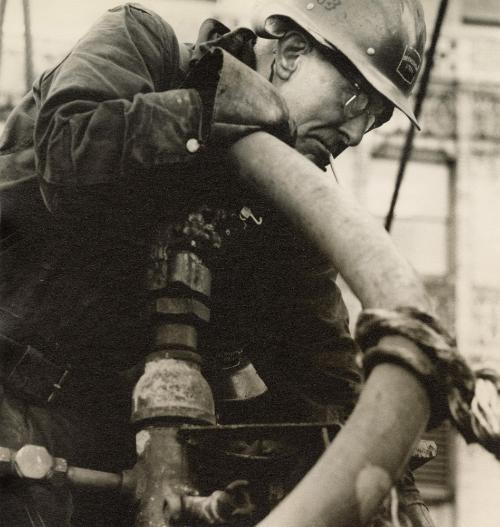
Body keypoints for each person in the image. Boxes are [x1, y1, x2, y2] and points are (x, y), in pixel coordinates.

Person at [0, 0, 432, 525]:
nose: (358, 131)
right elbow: (70, 152)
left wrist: (396, 494)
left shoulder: (289, 207)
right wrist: (204, 114)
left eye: (379, 115)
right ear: (293, 53)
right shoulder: (146, 46)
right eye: (355, 95)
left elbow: (324, 373)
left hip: (107, 446)